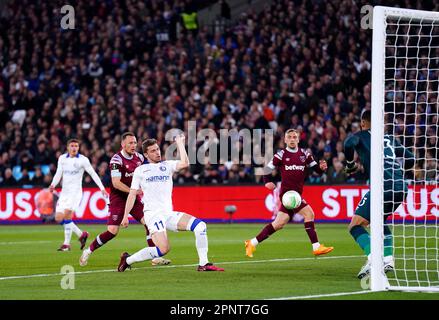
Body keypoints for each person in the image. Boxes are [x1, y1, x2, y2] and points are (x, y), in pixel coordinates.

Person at [117, 134, 224, 272]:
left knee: (200, 226)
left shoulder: (167, 166)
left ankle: (204, 264)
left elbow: (185, 163)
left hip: (168, 213)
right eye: (153, 151)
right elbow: (132, 194)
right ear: (146, 154)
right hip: (153, 215)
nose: (157, 153)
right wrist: (126, 215)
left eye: (158, 149)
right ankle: (127, 260)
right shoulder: (140, 170)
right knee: (164, 249)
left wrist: (180, 143)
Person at [79, 132, 170, 267]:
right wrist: (133, 191)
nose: (133, 145)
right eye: (130, 143)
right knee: (112, 231)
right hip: (118, 199)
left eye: (134, 143)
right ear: (123, 144)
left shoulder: (139, 157)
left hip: (133, 198)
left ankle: (155, 257)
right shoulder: (116, 160)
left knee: (148, 223)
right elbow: (116, 183)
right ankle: (88, 251)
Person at [344, 110, 415, 279]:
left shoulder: (361, 135)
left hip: (382, 186)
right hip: (401, 187)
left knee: (355, 225)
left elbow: (348, 143)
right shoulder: (389, 139)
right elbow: (411, 157)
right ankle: (389, 259)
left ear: (363, 123)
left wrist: (350, 163)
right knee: (379, 220)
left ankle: (373, 260)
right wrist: (397, 172)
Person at [245, 129, 334, 258]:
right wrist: (267, 182)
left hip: (296, 193)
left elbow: (317, 170)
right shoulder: (280, 155)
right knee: (309, 214)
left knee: (279, 223)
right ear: (285, 140)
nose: (292, 139)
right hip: (288, 194)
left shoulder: (305, 154)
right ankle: (316, 246)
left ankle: (251, 243)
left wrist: (322, 168)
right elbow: (267, 169)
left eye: (294, 137)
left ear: (298, 139)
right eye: (289, 137)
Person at [49, 139, 109, 251]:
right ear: (67, 147)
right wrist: (53, 184)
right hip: (64, 193)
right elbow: (58, 173)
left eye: (76, 146)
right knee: (58, 217)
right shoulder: (62, 158)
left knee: (67, 215)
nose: (74, 148)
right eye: (72, 146)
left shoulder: (83, 160)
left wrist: (102, 188)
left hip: (75, 193)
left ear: (78, 148)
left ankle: (66, 244)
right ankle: (81, 234)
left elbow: (93, 173)